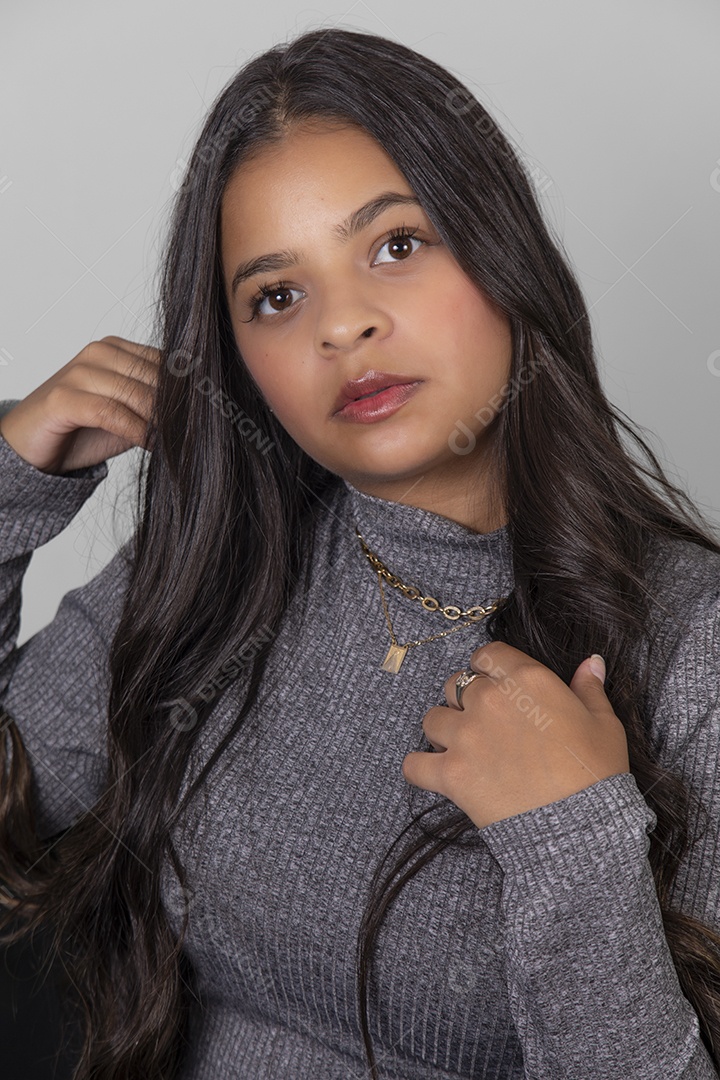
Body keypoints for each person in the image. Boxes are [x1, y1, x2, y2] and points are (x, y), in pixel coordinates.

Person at [0, 25, 719, 1080]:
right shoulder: (216, 572)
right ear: (241, 359)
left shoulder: (694, 645)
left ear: (499, 247)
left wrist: (571, 842)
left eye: (396, 245)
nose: (345, 328)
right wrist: (9, 490)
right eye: (278, 297)